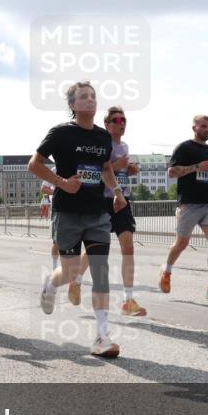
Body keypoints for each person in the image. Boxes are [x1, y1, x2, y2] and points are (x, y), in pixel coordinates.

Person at [29, 81, 127, 358]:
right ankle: (51, 284)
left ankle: (102, 336)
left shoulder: (102, 137)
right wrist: (61, 182)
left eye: (93, 96)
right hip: (68, 213)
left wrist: (117, 192)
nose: (90, 100)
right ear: (72, 105)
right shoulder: (61, 133)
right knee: (71, 272)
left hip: (97, 213)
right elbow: (33, 164)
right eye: (84, 97)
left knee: (100, 270)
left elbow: (106, 168)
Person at [69, 106, 147, 316]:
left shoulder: (125, 146)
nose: (121, 123)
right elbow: (100, 168)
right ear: (107, 124)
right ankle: (76, 280)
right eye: (116, 120)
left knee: (128, 245)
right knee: (96, 249)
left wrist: (128, 170)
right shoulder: (101, 142)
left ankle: (127, 300)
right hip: (101, 201)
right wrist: (116, 164)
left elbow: (118, 171)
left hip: (122, 201)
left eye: (123, 120)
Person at [159, 115, 208, 300]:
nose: (207, 129)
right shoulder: (184, 147)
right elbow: (172, 172)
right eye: (204, 126)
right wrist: (196, 167)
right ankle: (166, 271)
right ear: (194, 127)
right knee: (182, 243)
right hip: (188, 203)